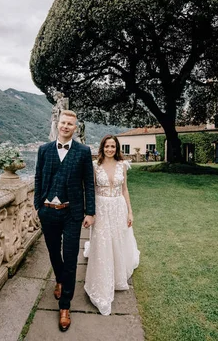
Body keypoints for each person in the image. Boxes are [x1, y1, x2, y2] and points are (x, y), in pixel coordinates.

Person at [34, 109, 95, 331]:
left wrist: (90, 212)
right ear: (57, 124)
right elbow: (38, 178)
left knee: (70, 257)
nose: (66, 126)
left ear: (75, 128)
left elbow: (88, 183)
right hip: (48, 211)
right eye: (63, 123)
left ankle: (65, 305)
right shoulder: (44, 150)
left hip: (72, 213)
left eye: (70, 124)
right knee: (52, 252)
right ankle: (60, 280)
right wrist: (38, 206)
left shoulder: (83, 152)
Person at [84, 135, 140, 315]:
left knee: (117, 239)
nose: (110, 149)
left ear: (117, 148)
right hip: (100, 207)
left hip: (118, 206)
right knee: (102, 242)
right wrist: (89, 212)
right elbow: (90, 190)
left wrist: (130, 211)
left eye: (113, 146)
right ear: (102, 148)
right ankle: (101, 278)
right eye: (107, 146)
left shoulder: (122, 166)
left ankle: (117, 274)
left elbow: (125, 189)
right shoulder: (94, 166)